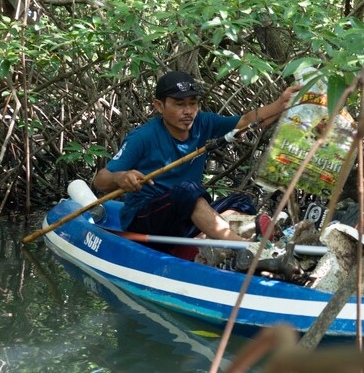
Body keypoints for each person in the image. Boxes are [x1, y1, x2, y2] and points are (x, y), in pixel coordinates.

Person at [93, 71, 301, 251]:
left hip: (184, 219)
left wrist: (282, 103)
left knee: (241, 202)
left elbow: (246, 122)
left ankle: (202, 241)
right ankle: (242, 247)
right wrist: (121, 177)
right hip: (145, 222)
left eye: (193, 103)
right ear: (159, 106)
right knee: (186, 191)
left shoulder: (203, 123)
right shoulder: (142, 137)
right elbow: (100, 181)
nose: (188, 111)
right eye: (179, 104)